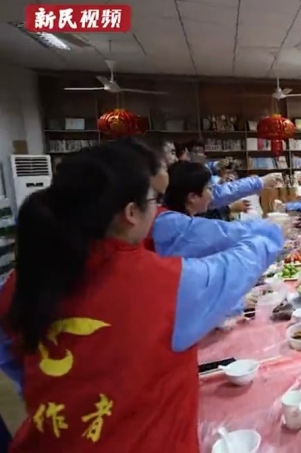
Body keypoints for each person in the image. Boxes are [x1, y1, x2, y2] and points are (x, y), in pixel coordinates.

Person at [0, 141, 282, 450]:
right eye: (155, 198)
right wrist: (271, 233)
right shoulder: (157, 281)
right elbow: (233, 267)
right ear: (131, 212)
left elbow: (13, 358)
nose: (159, 209)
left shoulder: (23, 277)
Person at [153, 161, 280, 258]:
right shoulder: (177, 226)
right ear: (192, 197)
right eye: (209, 188)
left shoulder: (173, 216)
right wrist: (270, 226)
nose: (213, 195)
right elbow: (224, 233)